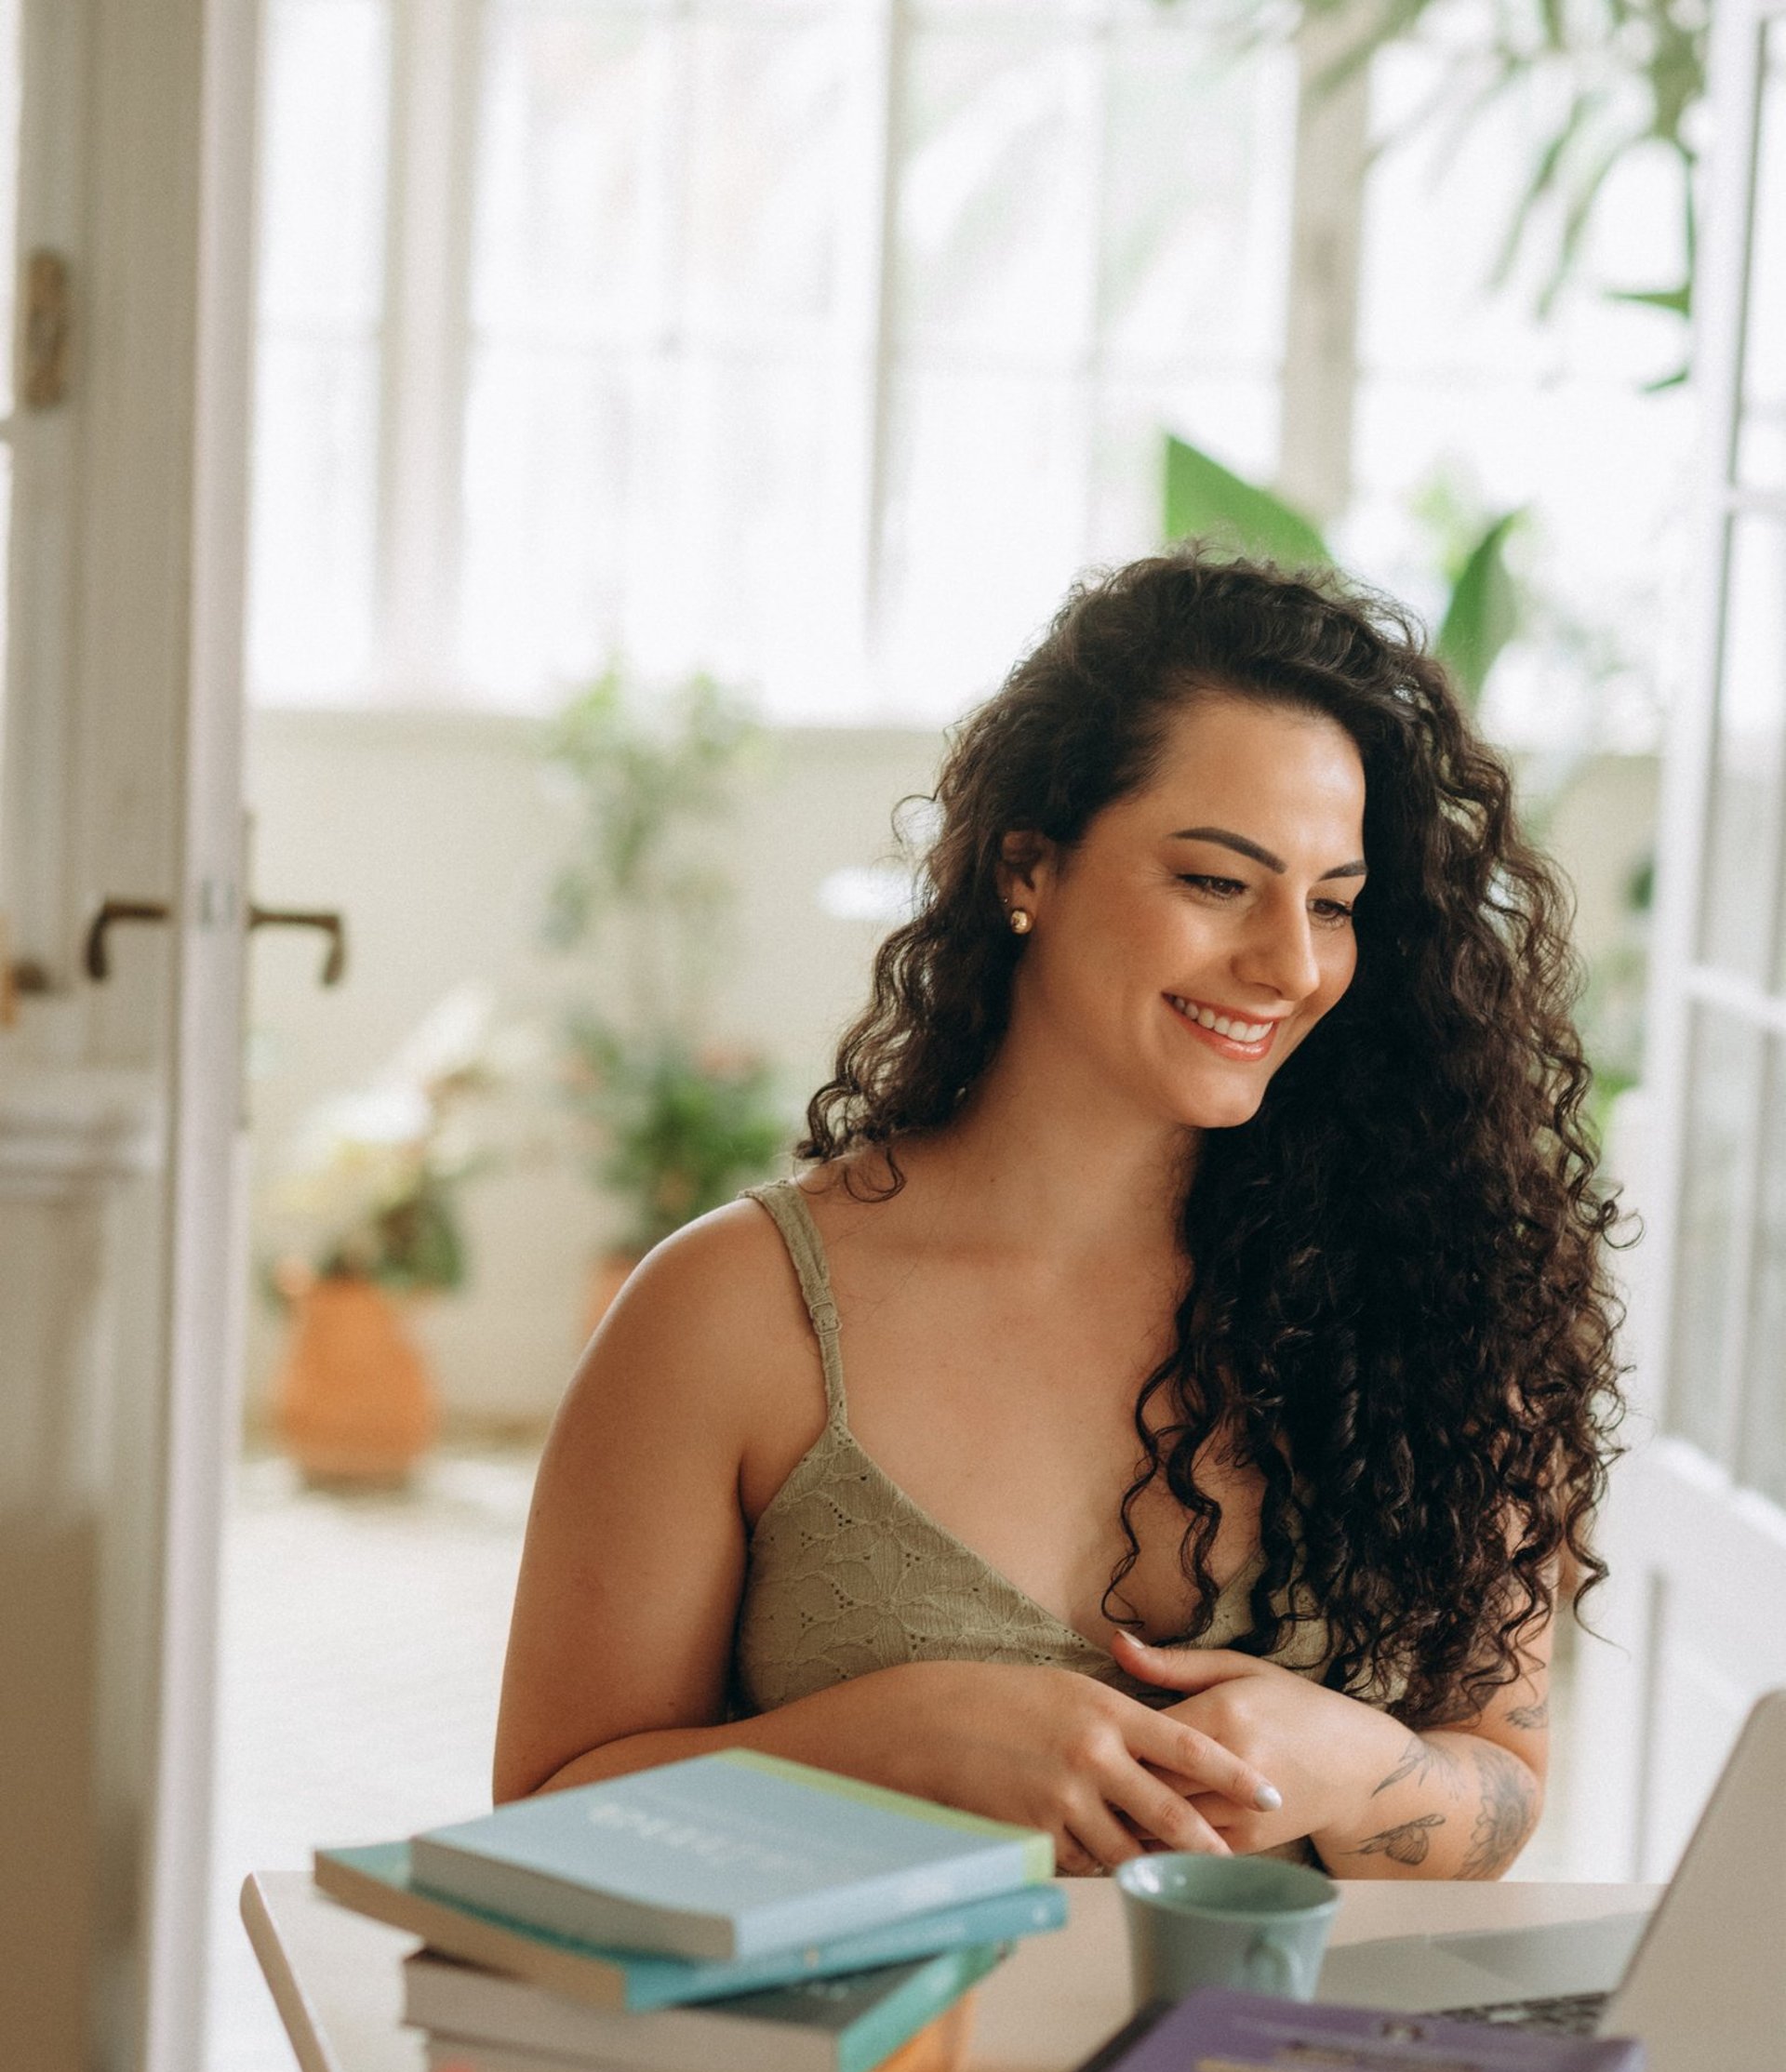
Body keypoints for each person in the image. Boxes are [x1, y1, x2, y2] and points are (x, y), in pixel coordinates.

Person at [495, 551, 1621, 1879]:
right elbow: (539, 1830)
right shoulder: (737, 1314)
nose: (1292, 963)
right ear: (1029, 864)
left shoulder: (1441, 1288)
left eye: (1333, 903)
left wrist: (1348, 1761)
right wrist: (894, 1740)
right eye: (1216, 881)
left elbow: (1498, 1787)